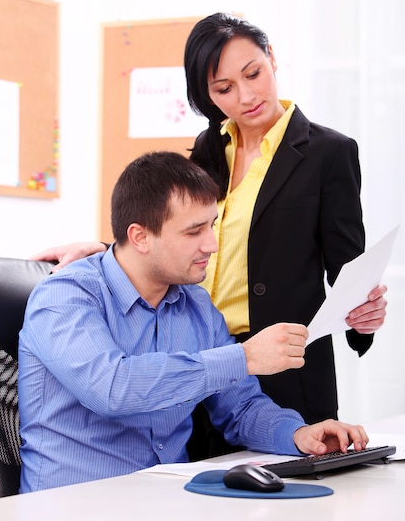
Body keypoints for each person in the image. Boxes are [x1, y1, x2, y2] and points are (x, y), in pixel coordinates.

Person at [31, 14, 387, 455]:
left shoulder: (327, 153)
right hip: (199, 342)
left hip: (278, 362)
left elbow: (347, 267)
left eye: (253, 73)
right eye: (224, 89)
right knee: (193, 471)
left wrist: (361, 313)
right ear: (208, 96)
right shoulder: (208, 147)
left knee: (285, 472)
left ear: (272, 58)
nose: (247, 95)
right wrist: (111, 249)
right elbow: (175, 231)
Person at [19, 151, 369, 492]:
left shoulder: (197, 306)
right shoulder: (64, 296)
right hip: (73, 504)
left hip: (169, 501)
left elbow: (241, 407)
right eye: (193, 232)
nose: (212, 245)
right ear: (140, 237)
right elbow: (113, 388)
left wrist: (297, 435)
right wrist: (243, 358)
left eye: (212, 226)